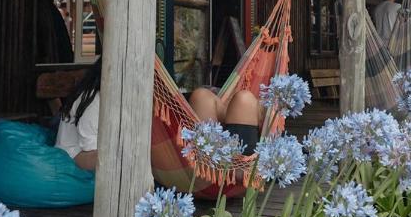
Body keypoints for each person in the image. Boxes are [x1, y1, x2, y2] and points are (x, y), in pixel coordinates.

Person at [55, 57, 263, 171]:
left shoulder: (123, 97)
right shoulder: (94, 100)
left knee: (213, 96)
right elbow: (91, 151)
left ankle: (235, 165)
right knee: (222, 98)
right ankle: (235, 166)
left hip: (207, 162)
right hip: (79, 155)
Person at [55, 57, 101, 171]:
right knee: (108, 158)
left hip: (88, 150)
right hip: (71, 156)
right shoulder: (92, 100)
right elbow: (90, 149)